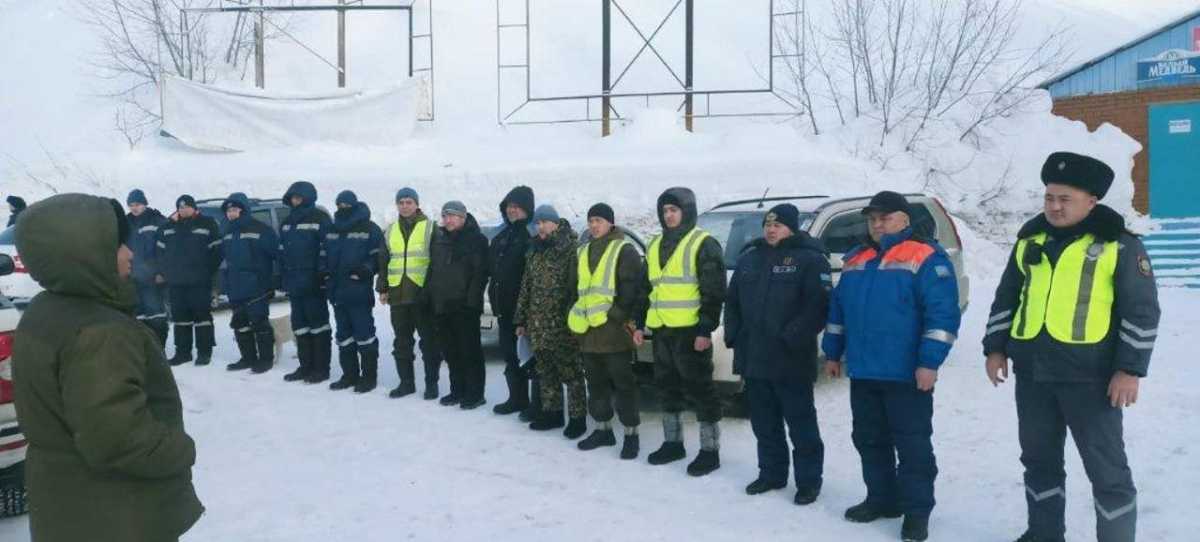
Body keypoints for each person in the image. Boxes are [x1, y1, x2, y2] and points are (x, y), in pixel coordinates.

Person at [982, 152, 1159, 542]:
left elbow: (1142, 312)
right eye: (1049, 198)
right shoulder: (1030, 240)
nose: (1055, 206)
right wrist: (995, 348)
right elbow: (1007, 297)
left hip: (1091, 381)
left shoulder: (1120, 246)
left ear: (1091, 201)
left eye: (1065, 199)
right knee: (1039, 463)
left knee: (1107, 472)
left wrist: (1129, 370)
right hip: (1034, 378)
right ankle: (1044, 534)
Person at [12, 194, 203, 542]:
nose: (130, 254)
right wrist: (179, 449)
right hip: (117, 514)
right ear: (83, 257)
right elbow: (118, 438)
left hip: (67, 503)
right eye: (118, 246)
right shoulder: (101, 332)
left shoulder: (45, 310)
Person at [822, 190, 961, 542]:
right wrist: (833, 352)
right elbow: (838, 312)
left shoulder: (927, 256)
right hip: (865, 370)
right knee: (869, 439)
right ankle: (881, 499)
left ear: (904, 219)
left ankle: (917, 513)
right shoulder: (857, 259)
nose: (877, 225)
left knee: (912, 446)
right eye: (872, 219)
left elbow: (942, 317)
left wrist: (929, 363)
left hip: (906, 373)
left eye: (885, 218)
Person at [725, 203, 830, 505]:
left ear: (792, 228)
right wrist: (734, 334)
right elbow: (731, 303)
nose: (771, 229)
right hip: (754, 357)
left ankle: (809, 482)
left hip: (790, 358)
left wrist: (791, 337)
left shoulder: (810, 259)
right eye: (768, 224)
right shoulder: (749, 259)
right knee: (764, 423)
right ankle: (771, 473)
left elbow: (818, 307)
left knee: (801, 424)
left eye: (778, 225)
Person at [642, 186, 727, 476]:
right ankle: (673, 443)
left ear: (687, 211)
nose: (668, 216)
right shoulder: (654, 245)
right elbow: (647, 289)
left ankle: (709, 450)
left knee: (701, 389)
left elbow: (714, 291)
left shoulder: (704, 243)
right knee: (666, 387)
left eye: (674, 210)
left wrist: (705, 329)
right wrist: (641, 324)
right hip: (663, 330)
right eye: (664, 210)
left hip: (691, 332)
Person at [570, 203, 646, 459]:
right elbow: (575, 291)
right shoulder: (582, 252)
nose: (594, 225)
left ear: (611, 223)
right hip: (588, 334)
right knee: (596, 384)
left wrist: (615, 316)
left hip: (614, 333)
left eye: (599, 220)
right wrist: (575, 320)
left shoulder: (624, 250)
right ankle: (603, 429)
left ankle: (631, 434)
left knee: (624, 384)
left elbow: (632, 291)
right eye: (591, 220)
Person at [514, 205, 588, 438]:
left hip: (563, 324)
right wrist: (521, 318)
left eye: (544, 222)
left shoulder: (570, 249)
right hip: (537, 323)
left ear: (555, 223)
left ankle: (578, 419)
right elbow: (526, 286)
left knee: (571, 373)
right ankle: (553, 413)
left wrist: (573, 320)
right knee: (546, 371)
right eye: (537, 223)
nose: (540, 227)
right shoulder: (534, 250)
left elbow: (577, 288)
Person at [377, 187, 444, 399]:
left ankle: (431, 385)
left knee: (429, 343)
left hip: (422, 296)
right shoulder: (390, 230)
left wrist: (431, 291)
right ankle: (406, 383)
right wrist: (383, 287)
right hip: (398, 296)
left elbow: (438, 262)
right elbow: (384, 261)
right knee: (402, 343)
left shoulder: (431, 228)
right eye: (401, 202)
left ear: (416, 204)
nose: (405, 206)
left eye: (409, 202)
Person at [427, 201, 489, 409]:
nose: (448, 220)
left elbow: (480, 274)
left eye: (453, 216)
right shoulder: (439, 239)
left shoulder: (476, 239)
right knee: (451, 351)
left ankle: (475, 393)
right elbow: (433, 271)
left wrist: (471, 302)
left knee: (469, 351)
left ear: (463, 217)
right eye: (445, 216)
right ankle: (457, 390)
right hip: (443, 305)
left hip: (465, 306)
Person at [325, 190, 385, 394]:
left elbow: (379, 257)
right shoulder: (332, 229)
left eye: (346, 205)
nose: (343, 209)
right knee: (343, 336)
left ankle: (369, 378)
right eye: (339, 205)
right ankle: (349, 375)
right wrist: (322, 272)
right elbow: (323, 254)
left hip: (358, 291)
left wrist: (366, 269)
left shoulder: (370, 228)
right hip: (337, 292)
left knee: (364, 335)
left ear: (354, 205)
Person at [488, 186, 538, 418]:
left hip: (524, 312)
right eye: (509, 206)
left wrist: (527, 311)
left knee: (530, 359)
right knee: (510, 356)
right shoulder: (501, 237)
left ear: (527, 209)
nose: (512, 211)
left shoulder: (532, 237)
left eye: (517, 207)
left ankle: (536, 405)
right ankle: (516, 399)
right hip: (503, 310)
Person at [279, 181, 335, 384]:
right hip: (294, 282)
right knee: (300, 326)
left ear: (308, 197)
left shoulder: (320, 219)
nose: (295, 201)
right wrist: (282, 278)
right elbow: (282, 252)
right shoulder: (286, 222)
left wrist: (322, 275)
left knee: (318, 326)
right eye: (292, 197)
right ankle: (305, 366)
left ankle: (321, 369)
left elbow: (327, 248)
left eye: (298, 197)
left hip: (313, 282)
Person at [157, 194, 222, 366]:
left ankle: (204, 352)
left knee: (202, 318)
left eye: (186, 207)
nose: (183, 210)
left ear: (194, 208)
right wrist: (166, 272)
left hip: (199, 281)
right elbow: (159, 253)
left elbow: (217, 251)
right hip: (177, 282)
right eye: (180, 207)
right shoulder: (168, 227)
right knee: (180, 318)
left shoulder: (207, 224)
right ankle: (183, 353)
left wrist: (206, 271)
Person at [220, 192, 280, 374]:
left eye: (235, 209)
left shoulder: (262, 230)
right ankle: (247, 357)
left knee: (259, 323)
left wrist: (272, 282)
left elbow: (276, 256)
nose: (231, 213)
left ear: (244, 210)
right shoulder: (227, 232)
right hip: (235, 286)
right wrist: (225, 285)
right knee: (240, 324)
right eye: (229, 210)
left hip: (257, 287)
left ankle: (265, 359)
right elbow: (224, 262)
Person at [126, 189, 171, 348]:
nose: (134, 208)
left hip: (153, 276)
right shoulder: (126, 222)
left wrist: (162, 272)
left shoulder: (157, 220)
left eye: (137, 204)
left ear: (144, 204)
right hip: (133, 276)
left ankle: (160, 348)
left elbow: (167, 249)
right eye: (131, 205)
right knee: (139, 316)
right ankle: (144, 348)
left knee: (156, 314)